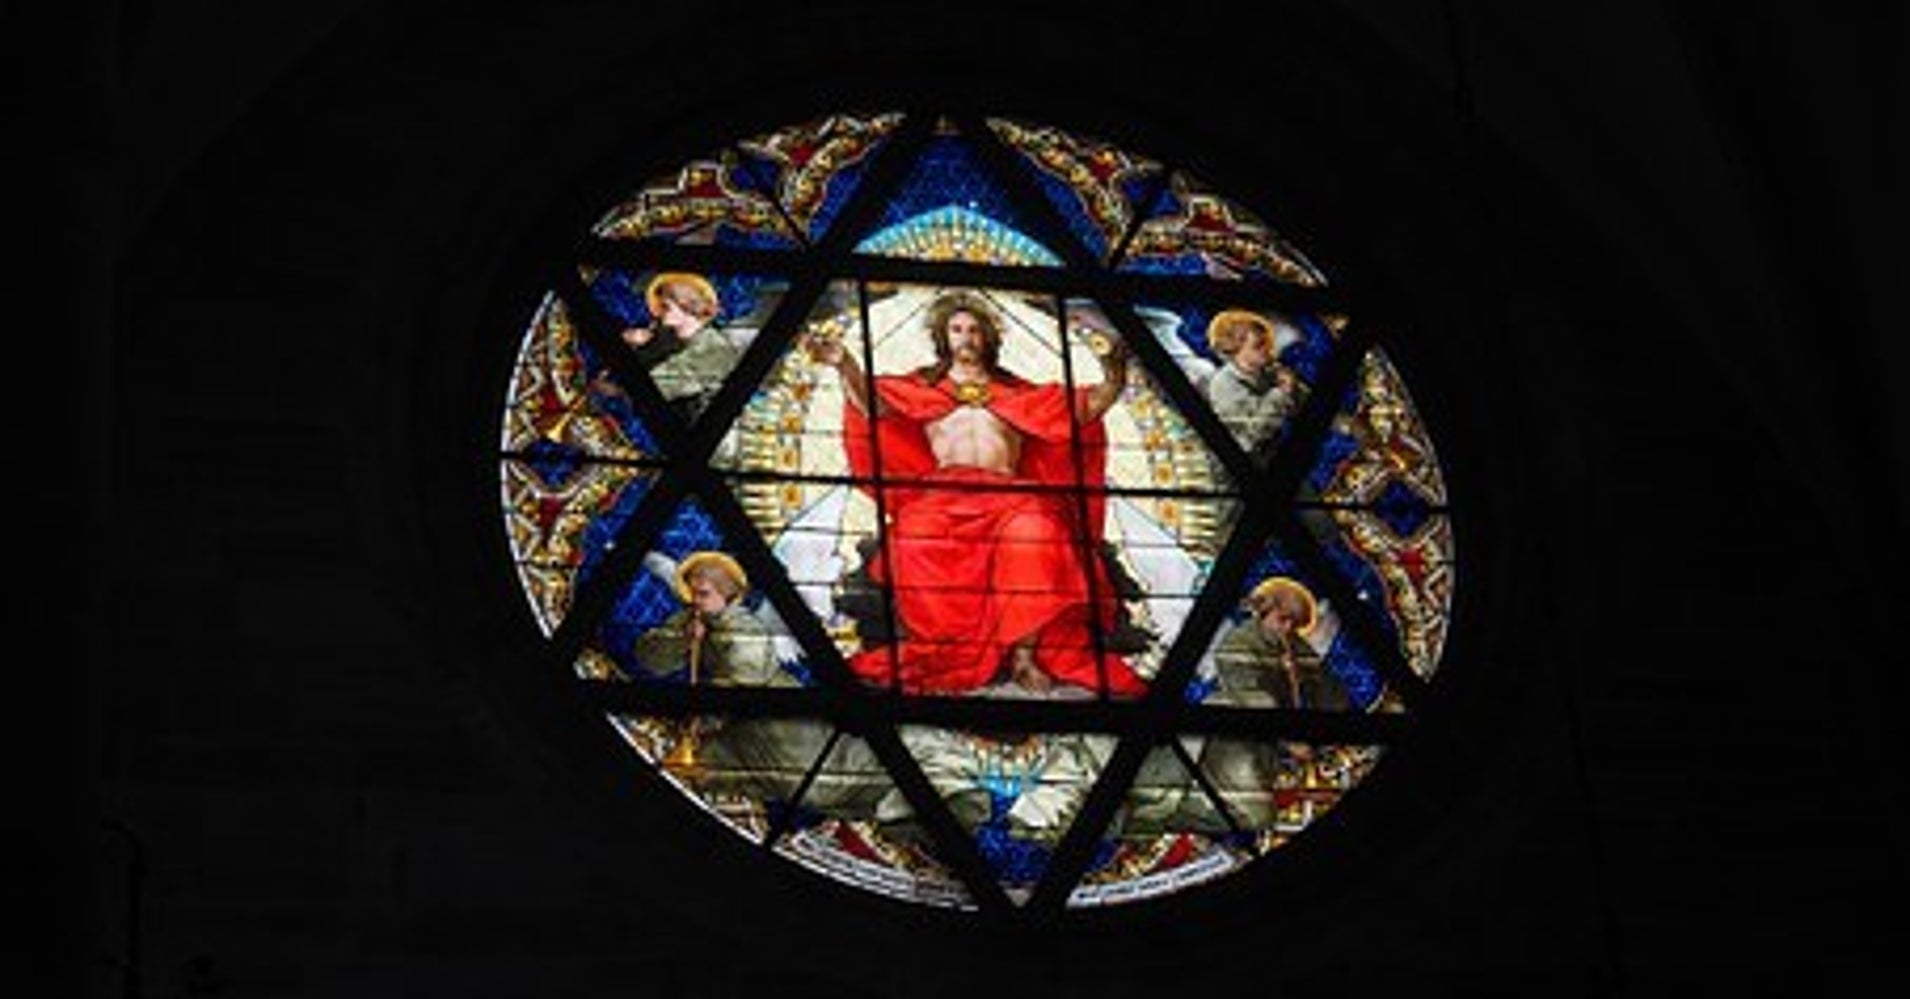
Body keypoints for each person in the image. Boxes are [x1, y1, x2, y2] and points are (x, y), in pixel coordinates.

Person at [804, 290, 1147, 696]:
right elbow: (869, 405)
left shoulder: (1022, 396)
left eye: (973, 330)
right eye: (957, 329)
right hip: (942, 495)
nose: (965, 338)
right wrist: (844, 363)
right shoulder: (922, 389)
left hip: (1011, 496)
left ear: (988, 338)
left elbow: (1088, 407)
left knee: (1036, 534)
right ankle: (941, 647)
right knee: (913, 537)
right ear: (943, 336)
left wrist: (1114, 376)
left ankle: (1023, 656)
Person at [630, 550, 784, 687]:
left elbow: (753, 675)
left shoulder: (744, 623)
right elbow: (652, 662)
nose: (696, 600)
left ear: (726, 592)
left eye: (704, 594)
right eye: (692, 593)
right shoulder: (689, 618)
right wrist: (682, 638)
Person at [616, 271, 743, 426]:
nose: (659, 311)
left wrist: (616, 389)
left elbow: (659, 386)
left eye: (666, 306)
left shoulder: (715, 350)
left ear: (687, 306)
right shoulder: (664, 334)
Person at [1210, 575, 1348, 710]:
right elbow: (1244, 685)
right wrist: (1282, 672)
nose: (1288, 628)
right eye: (1283, 618)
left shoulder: (1296, 643)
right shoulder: (1240, 639)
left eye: (1294, 624)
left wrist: (1303, 676)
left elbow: (1331, 691)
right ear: (1266, 612)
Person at [1203, 308, 1300, 459]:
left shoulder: (1268, 369)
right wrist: (1282, 393)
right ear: (1234, 349)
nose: (1268, 349)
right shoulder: (1223, 385)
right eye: (1258, 345)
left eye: (1267, 341)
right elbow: (1256, 431)